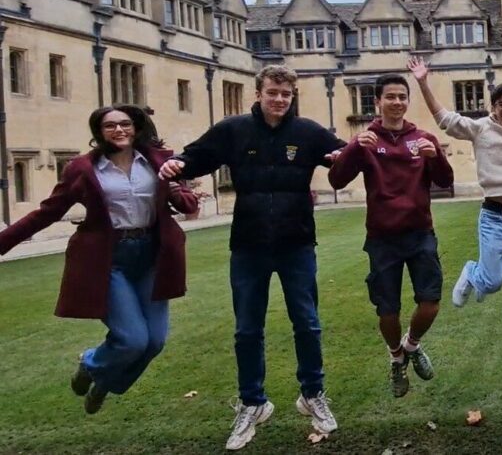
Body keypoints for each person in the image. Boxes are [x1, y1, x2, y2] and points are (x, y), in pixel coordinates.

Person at [158, 65, 345, 451]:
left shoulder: (307, 132)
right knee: (247, 329)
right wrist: (175, 163)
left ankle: (313, 394)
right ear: (258, 92)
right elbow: (196, 157)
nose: (279, 99)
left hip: (296, 243)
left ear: (293, 97)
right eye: (273, 92)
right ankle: (252, 403)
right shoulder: (233, 130)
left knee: (307, 323)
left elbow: (343, 157)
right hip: (248, 244)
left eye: (286, 94)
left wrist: (371, 149)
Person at [0, 105, 197, 414]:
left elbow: (187, 202)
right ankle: (92, 364)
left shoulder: (160, 161)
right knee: (132, 340)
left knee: (155, 341)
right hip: (109, 259)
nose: (119, 130)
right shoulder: (82, 169)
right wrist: (3, 242)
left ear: (136, 128)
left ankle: (105, 382)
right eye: (110, 126)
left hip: (152, 256)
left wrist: (174, 189)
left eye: (125, 124)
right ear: (99, 133)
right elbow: (47, 212)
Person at [328, 73, 453, 399]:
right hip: (383, 238)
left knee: (431, 304)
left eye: (402, 97)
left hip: (420, 232)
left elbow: (444, 180)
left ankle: (411, 345)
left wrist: (435, 155)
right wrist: (353, 148)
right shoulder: (366, 140)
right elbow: (337, 181)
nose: (397, 102)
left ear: (406, 101)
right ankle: (396, 358)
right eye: (391, 97)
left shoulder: (422, 138)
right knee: (388, 311)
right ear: (378, 102)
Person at [409, 57, 502, 308]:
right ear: (493, 108)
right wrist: (423, 83)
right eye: (501, 105)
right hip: (494, 216)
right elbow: (445, 119)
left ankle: (488, 270)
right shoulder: (480, 128)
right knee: (492, 284)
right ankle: (474, 273)